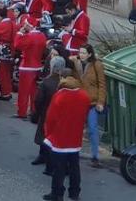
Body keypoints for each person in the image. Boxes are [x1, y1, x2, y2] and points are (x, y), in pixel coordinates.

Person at [42, 70, 91, 201]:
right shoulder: (84, 96)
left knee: (59, 169)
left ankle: (57, 194)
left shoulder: (59, 96)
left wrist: (49, 134)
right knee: (74, 167)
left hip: (59, 138)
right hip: (75, 138)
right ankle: (74, 193)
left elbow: (50, 118)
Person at [71, 44, 106, 168]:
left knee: (93, 129)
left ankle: (95, 156)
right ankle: (74, 152)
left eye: (84, 53)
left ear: (90, 54)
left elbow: (102, 85)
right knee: (76, 128)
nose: (81, 55)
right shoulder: (76, 63)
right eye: (80, 52)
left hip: (92, 102)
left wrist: (100, 102)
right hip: (79, 101)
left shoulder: (97, 65)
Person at [31, 58, 66, 173]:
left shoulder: (46, 82)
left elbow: (38, 100)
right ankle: (45, 157)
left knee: (45, 136)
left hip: (46, 112)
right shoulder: (64, 83)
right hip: (60, 114)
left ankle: (46, 160)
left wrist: (38, 112)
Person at [14, 16, 46, 119]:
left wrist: (19, 33)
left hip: (27, 66)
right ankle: (33, 111)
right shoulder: (42, 36)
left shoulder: (30, 36)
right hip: (37, 66)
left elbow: (17, 45)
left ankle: (22, 112)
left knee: (23, 91)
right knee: (34, 92)